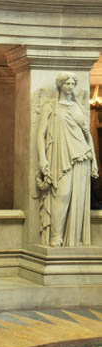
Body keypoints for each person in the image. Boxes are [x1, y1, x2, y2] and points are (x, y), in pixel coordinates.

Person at [36, 72, 98, 247]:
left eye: (73, 84)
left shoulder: (77, 107)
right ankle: (56, 236)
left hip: (82, 156)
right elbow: (41, 135)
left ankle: (73, 238)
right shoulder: (51, 106)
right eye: (67, 84)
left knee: (77, 198)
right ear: (60, 85)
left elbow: (88, 136)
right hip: (60, 155)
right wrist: (42, 159)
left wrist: (94, 161)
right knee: (61, 194)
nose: (71, 87)